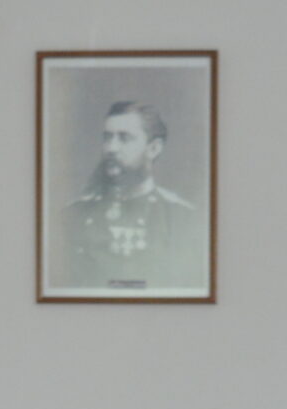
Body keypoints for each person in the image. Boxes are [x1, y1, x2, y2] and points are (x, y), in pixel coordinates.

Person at [62, 101, 203, 289]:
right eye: (107, 138)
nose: (111, 148)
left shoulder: (183, 219)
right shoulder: (73, 216)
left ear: (154, 148)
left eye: (124, 138)